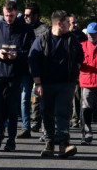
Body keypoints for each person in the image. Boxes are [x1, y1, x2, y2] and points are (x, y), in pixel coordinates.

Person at [28, 10, 82, 158]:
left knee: (63, 113)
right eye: (67, 23)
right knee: (47, 113)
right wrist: (38, 83)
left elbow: (80, 56)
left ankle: (64, 144)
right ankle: (49, 143)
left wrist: (75, 71)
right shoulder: (42, 40)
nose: (69, 25)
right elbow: (33, 61)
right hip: (46, 84)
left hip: (66, 84)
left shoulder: (72, 40)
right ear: (59, 23)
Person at [0, 1, 35, 152]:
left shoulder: (26, 30)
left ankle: (11, 139)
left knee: (12, 107)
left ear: (16, 13)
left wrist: (17, 55)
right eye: (6, 15)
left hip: (15, 73)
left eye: (11, 15)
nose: (8, 18)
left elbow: (32, 51)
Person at [21, 4, 48, 138]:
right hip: (26, 69)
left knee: (42, 99)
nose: (25, 17)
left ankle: (45, 129)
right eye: (24, 15)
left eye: (28, 15)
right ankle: (26, 127)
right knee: (25, 98)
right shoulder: (22, 28)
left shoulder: (44, 30)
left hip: (40, 70)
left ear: (36, 16)